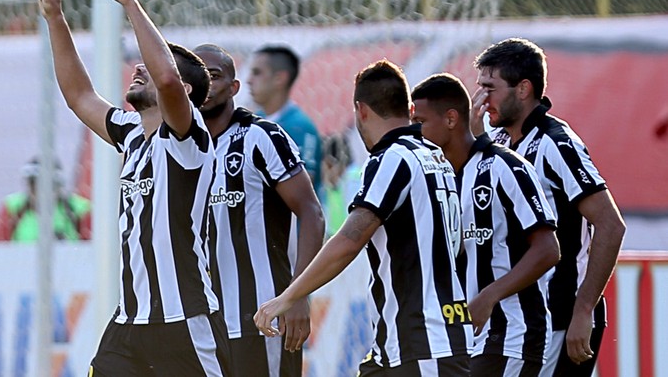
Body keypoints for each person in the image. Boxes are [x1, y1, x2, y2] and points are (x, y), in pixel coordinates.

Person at [31, 0, 231, 375]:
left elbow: (166, 78)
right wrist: (55, 18)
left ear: (187, 94)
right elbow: (79, 96)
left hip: (183, 320)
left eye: (150, 65)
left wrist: (130, 2)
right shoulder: (130, 134)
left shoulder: (187, 136)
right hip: (128, 323)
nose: (138, 67)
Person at [254, 59, 473, 376]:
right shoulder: (434, 156)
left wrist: (288, 297)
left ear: (361, 110)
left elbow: (350, 239)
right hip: (409, 340)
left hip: (423, 341)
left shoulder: (393, 157)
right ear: (408, 108)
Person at [470, 38, 626, 376]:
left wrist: (584, 309)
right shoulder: (497, 143)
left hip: (560, 316)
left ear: (523, 89)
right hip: (519, 320)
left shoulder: (556, 143)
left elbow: (611, 225)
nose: (481, 99)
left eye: (489, 87)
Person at [411, 73, 560, 376]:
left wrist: (489, 296)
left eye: (421, 122)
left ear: (451, 119)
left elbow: (548, 250)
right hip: (463, 339)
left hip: (511, 336)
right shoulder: (439, 178)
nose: (415, 133)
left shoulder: (506, 166)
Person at [193, 43, 325, 376]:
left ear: (234, 87)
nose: (204, 85)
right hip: (199, 326)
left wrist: (297, 295)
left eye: (214, 76)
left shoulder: (261, 137)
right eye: (196, 76)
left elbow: (311, 212)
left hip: (260, 319)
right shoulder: (177, 149)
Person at [248, 45, 323, 196]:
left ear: (279, 78)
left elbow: (305, 188)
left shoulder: (300, 127)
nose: (249, 80)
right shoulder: (252, 123)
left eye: (257, 73)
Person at [0, 157, 91, 241]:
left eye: (48, 186)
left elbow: (94, 251)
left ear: (59, 186)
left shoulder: (80, 210)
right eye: (33, 184)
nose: (40, 192)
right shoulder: (12, 208)